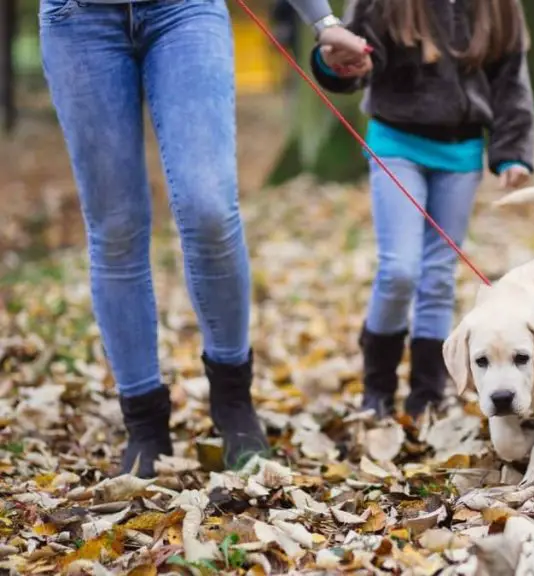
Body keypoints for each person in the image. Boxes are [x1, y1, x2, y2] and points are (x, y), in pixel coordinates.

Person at [38, 0, 368, 478]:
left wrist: (323, 21)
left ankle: (233, 402)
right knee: (116, 228)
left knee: (209, 208)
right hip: (78, 23)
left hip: (183, 12)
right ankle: (144, 423)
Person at [310, 0, 534, 420]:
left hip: (461, 150)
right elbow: (353, 55)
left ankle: (427, 395)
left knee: (437, 275)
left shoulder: (500, 7)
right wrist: (334, 63)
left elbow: (511, 78)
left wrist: (513, 150)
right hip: (397, 144)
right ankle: (376, 390)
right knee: (399, 269)